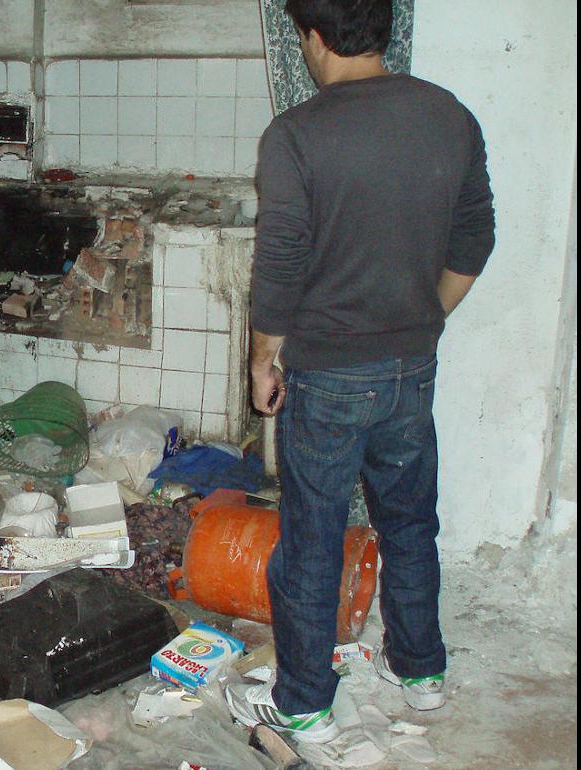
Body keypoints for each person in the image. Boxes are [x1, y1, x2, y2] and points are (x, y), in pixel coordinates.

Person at [224, 0, 496, 743]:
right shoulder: (449, 115)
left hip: (331, 374)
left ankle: (305, 701)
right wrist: (425, 317)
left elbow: (277, 266)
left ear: (313, 38)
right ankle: (422, 671)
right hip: (412, 368)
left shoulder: (298, 135)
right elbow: (477, 236)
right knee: (408, 521)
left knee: (311, 538)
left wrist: (260, 362)